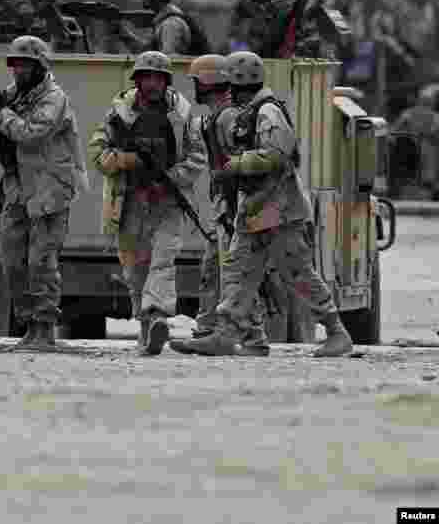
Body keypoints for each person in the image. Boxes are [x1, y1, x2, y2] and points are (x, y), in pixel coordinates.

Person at [182, 51, 353, 357]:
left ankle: (337, 333)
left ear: (236, 83)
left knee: (298, 273)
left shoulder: (267, 112)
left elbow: (277, 157)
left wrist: (236, 164)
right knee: (237, 271)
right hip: (255, 210)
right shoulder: (249, 112)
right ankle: (227, 334)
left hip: (280, 211)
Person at [88, 50, 206, 355]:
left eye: (158, 78)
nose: (152, 84)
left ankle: (157, 317)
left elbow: (197, 157)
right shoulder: (119, 113)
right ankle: (145, 328)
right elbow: (97, 152)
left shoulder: (182, 114)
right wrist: (126, 161)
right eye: (146, 77)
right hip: (127, 202)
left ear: (166, 82)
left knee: (163, 261)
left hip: (167, 202)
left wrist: (170, 178)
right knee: (134, 271)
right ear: (137, 80)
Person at [0, 35, 88, 349]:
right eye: (14, 63)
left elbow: (32, 133)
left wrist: (0, 115)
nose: (17, 70)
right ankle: (29, 324)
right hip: (18, 190)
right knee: (13, 261)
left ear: (39, 66)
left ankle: (44, 327)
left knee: (41, 262)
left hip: (49, 192)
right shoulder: (12, 96)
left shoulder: (53, 98)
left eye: (24, 64)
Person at [169, 54, 269, 356]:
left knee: (233, 273)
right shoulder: (217, 116)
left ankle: (252, 337)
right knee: (214, 268)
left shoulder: (226, 118)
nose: (194, 87)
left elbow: (239, 164)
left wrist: (233, 206)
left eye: (197, 82)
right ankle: (207, 329)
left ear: (208, 82)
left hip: (233, 206)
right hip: (225, 204)